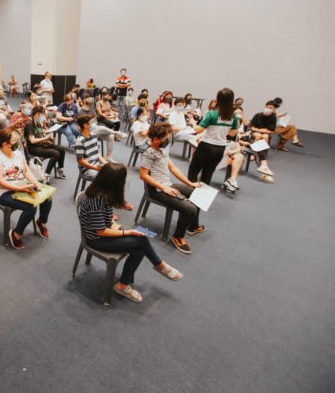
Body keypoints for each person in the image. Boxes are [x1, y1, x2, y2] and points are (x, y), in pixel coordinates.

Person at [79, 163, 183, 303]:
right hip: (96, 239)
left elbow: (108, 218)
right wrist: (126, 232)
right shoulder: (96, 200)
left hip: (103, 232)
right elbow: (101, 232)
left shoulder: (104, 193)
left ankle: (123, 284)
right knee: (140, 242)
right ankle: (159, 265)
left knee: (138, 248)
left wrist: (117, 227)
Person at [140, 122, 204, 254]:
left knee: (199, 193)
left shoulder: (162, 150)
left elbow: (173, 167)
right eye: (166, 137)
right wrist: (163, 187)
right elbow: (143, 175)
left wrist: (189, 183)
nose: (168, 140)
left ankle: (192, 226)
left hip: (167, 184)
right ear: (157, 139)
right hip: (157, 190)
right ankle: (178, 237)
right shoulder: (149, 153)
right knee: (190, 208)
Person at [0, 129, 53, 249]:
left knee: (47, 198)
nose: (17, 142)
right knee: (30, 207)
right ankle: (16, 234)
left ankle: (41, 223)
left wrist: (34, 182)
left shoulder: (17, 153)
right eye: (14, 140)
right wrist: (21, 188)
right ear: (5, 144)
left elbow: (26, 171)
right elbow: (0, 181)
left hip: (22, 186)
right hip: (3, 192)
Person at [186, 88, 239, 185]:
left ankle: (190, 194)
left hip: (206, 146)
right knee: (207, 174)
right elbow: (232, 133)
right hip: (220, 148)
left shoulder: (212, 113)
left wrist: (193, 123)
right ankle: (201, 198)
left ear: (217, 99)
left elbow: (199, 130)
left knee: (193, 171)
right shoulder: (233, 116)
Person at [80, 95, 127, 162]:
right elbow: (80, 127)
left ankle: (108, 156)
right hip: (88, 133)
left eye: (91, 99)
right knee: (101, 127)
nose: (91, 100)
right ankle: (117, 132)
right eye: (89, 99)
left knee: (110, 136)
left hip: (96, 131)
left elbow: (95, 122)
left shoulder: (92, 110)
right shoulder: (81, 112)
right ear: (84, 100)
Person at [25, 106, 67, 179]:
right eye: (41, 115)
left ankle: (60, 169)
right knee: (55, 153)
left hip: (40, 145)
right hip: (33, 148)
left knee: (61, 149)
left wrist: (48, 138)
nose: (42, 117)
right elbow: (32, 140)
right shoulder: (30, 124)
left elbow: (41, 136)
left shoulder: (38, 123)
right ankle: (46, 175)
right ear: (37, 114)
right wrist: (45, 138)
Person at [247, 101, 277, 182]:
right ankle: (263, 165)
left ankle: (261, 161)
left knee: (265, 136)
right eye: (268, 107)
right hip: (254, 134)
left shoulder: (273, 117)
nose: (269, 109)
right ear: (265, 106)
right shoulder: (258, 115)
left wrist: (259, 130)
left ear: (273, 109)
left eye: (271, 108)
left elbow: (270, 131)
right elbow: (252, 127)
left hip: (264, 134)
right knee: (259, 135)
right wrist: (259, 130)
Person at [220, 107, 246, 193]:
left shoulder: (236, 134)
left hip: (229, 153)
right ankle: (231, 181)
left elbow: (238, 146)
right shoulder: (221, 129)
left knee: (239, 156)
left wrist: (233, 151)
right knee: (234, 159)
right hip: (219, 152)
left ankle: (232, 180)